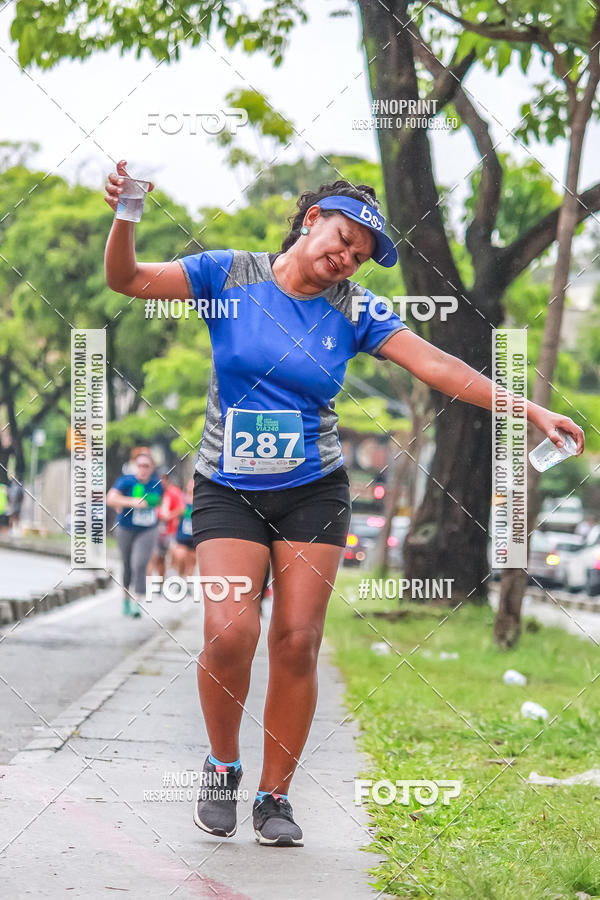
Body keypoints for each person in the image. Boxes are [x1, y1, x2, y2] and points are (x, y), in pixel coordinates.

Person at [104, 160, 585, 847]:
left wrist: (529, 408)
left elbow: (438, 365)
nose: (347, 258)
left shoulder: (356, 309)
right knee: (229, 633)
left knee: (298, 640)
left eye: (359, 256)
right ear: (311, 221)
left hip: (314, 489)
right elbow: (126, 279)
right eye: (343, 240)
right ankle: (223, 765)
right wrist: (127, 215)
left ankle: (274, 796)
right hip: (228, 485)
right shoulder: (227, 275)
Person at [107, 450, 163, 617]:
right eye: (140, 465)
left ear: (152, 467)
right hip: (125, 528)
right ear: (135, 466)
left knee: (139, 564)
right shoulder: (125, 481)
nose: (143, 469)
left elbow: (158, 502)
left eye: (146, 466)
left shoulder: (156, 483)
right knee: (127, 565)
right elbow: (110, 498)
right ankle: (125, 598)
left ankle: (136, 602)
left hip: (148, 529)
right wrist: (131, 502)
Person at [149, 469, 185, 584]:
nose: (161, 482)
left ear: (167, 480)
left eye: (163, 479)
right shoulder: (155, 492)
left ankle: (178, 579)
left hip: (171, 530)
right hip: (157, 529)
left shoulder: (174, 492)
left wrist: (169, 516)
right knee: (158, 557)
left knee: (174, 556)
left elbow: (181, 509)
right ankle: (160, 582)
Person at [170, 478, 197, 577]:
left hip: (195, 537)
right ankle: (180, 577)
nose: (192, 486)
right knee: (181, 557)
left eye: (194, 483)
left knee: (191, 563)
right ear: (187, 486)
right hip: (182, 536)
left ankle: (187, 581)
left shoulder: (200, 501)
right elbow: (170, 514)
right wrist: (178, 512)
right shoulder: (181, 499)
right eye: (190, 484)